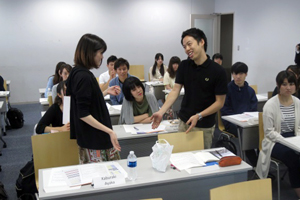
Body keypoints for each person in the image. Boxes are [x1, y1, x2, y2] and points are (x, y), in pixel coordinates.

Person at [151, 28, 228, 149]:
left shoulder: (218, 71)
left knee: (201, 162)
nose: (187, 49)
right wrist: (161, 112)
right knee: (181, 158)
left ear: (201, 42)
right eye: (184, 46)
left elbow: (220, 102)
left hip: (204, 125)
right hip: (184, 121)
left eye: (189, 44)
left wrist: (199, 115)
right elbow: (175, 91)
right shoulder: (184, 66)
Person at [66, 33, 121, 164]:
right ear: (90, 53)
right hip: (94, 139)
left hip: (89, 138)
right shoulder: (84, 77)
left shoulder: (76, 72)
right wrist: (109, 131)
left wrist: (105, 91)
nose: (102, 57)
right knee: (104, 179)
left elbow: (86, 102)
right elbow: (83, 113)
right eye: (100, 52)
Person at [256, 70, 300, 198]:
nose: (288, 88)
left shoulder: (297, 102)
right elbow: (269, 132)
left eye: (291, 84)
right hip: (274, 141)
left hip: (293, 137)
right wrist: (288, 142)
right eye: (284, 84)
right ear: (278, 85)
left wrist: (296, 139)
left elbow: (298, 127)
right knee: (293, 158)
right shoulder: (270, 105)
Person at [220, 62, 258, 166]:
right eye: (235, 74)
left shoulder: (250, 91)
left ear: (246, 74)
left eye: (240, 74)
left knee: (261, 133)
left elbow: (254, 109)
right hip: (231, 123)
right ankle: (255, 164)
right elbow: (225, 110)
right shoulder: (227, 89)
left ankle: (261, 162)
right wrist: (237, 120)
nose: (238, 77)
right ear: (232, 74)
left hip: (248, 122)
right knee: (246, 134)